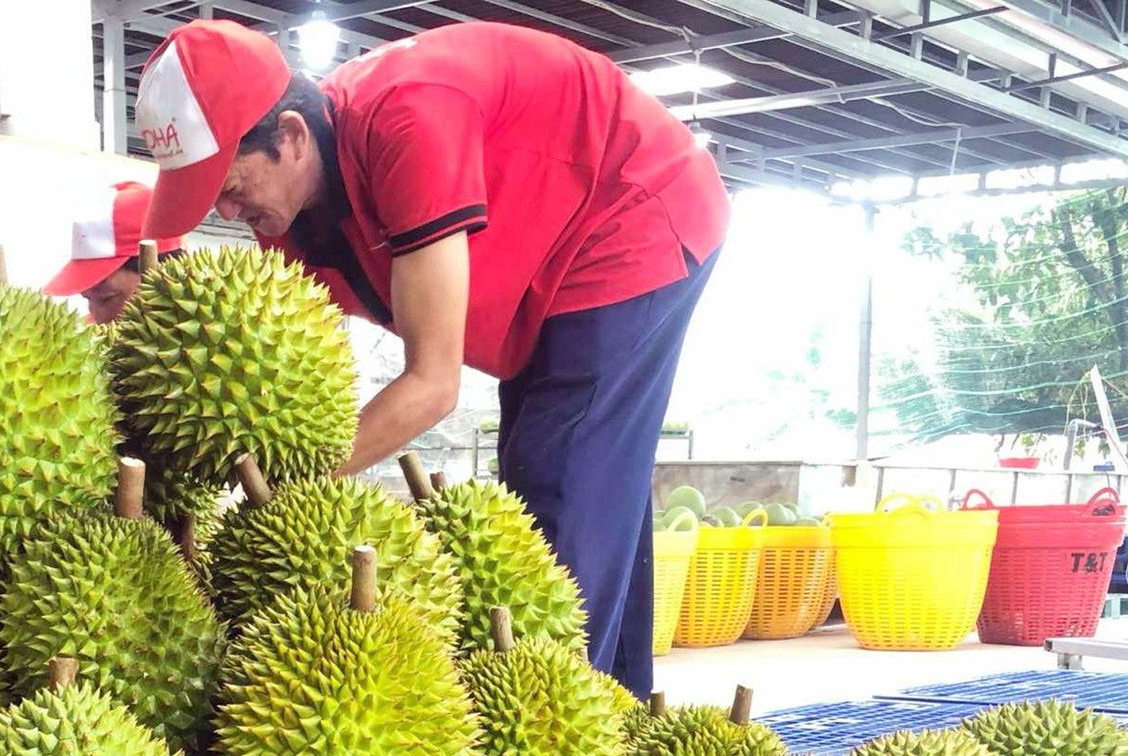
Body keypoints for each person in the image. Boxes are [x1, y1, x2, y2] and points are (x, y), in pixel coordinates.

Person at [134, 20, 730, 695]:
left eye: (232, 187)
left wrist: (286, 488)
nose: (225, 208)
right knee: (589, 488)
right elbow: (294, 388)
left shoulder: (408, 119)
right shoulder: (290, 228)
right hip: (544, 277)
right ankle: (620, 710)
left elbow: (432, 383)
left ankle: (560, 737)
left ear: (292, 136)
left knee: (560, 487)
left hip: (633, 209)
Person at [42, 180, 187, 324]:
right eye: (88, 299)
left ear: (167, 278)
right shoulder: (87, 334)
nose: (98, 317)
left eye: (107, 298)